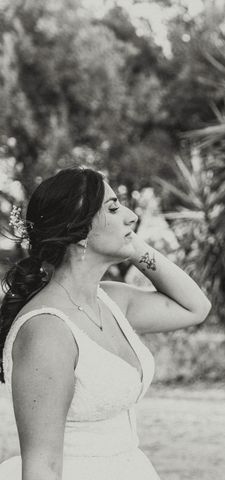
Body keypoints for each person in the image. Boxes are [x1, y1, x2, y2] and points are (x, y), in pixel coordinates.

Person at [0, 167, 211, 480]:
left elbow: (195, 307)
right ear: (78, 228)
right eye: (113, 208)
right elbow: (42, 467)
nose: (131, 216)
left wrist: (133, 245)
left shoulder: (111, 301)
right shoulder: (46, 331)